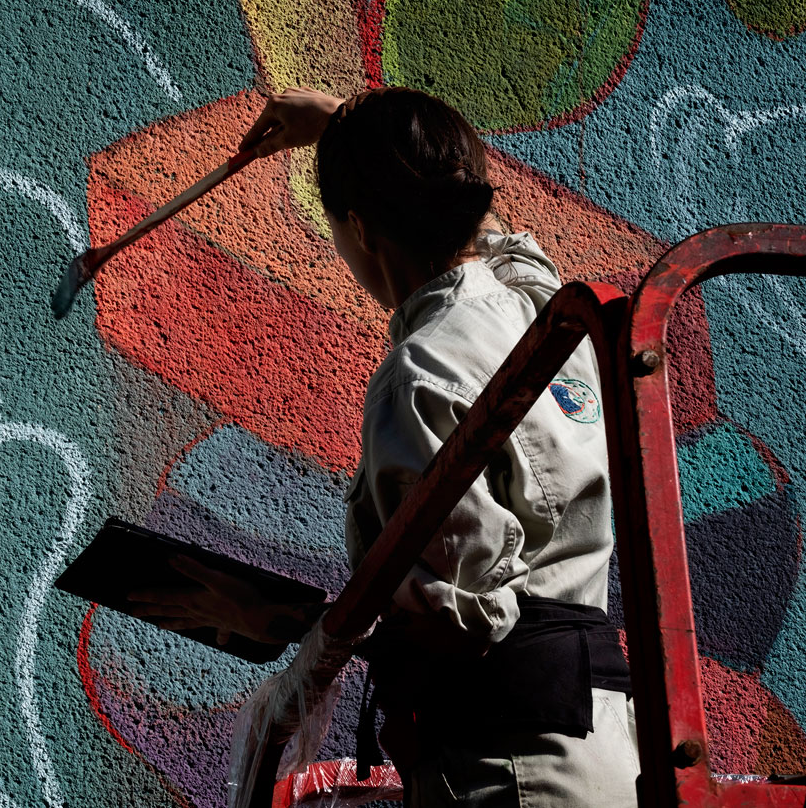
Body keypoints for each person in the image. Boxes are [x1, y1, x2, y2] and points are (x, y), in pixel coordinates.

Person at [129, 86, 639, 807]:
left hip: (511, 769)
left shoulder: (421, 371)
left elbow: (462, 616)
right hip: (605, 749)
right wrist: (344, 127)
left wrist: (297, 631)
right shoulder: (543, 311)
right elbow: (497, 235)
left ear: (361, 230)